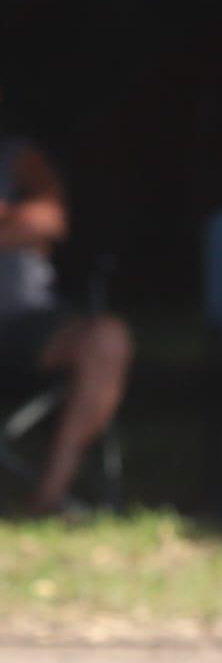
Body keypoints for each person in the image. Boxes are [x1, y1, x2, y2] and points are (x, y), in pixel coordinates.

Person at [0, 119, 133, 515]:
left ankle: (48, 496)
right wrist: (14, 223)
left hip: (25, 321)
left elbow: (50, 219)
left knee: (107, 339)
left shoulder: (16, 154)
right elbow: (31, 223)